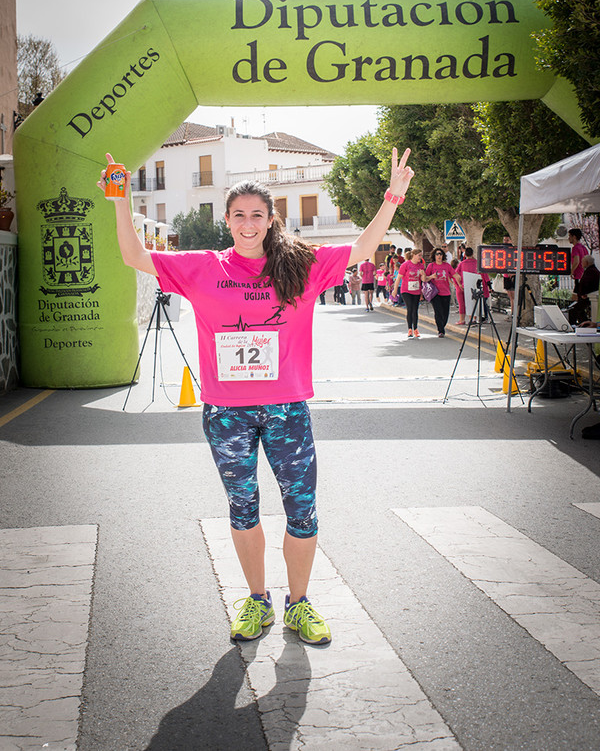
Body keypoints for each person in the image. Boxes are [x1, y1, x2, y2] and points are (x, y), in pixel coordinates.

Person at [99, 146, 414, 646]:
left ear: (271, 221)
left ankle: (300, 604)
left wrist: (394, 197)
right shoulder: (202, 267)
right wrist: (119, 199)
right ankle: (257, 601)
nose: (248, 223)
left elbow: (360, 250)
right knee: (242, 509)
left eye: (257, 215)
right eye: (239, 215)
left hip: (287, 410)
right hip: (227, 415)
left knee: (302, 510)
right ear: (227, 220)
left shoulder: (300, 266)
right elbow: (135, 256)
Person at [423, 248, 461, 337]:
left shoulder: (447, 266)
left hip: (446, 292)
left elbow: (454, 274)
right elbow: (425, 279)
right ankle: (441, 331)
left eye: (440, 254)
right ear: (434, 256)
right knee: (438, 311)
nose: (439, 256)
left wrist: (459, 278)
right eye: (437, 254)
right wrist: (432, 276)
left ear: (443, 256)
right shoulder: (431, 266)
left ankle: (442, 326)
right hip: (435, 293)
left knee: (445, 313)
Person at [394, 248, 425, 337]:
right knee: (410, 308)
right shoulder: (405, 265)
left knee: (415, 310)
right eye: (419, 255)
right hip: (406, 290)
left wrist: (423, 274)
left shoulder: (421, 265)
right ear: (414, 255)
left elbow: (423, 280)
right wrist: (395, 290)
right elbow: (398, 278)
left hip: (416, 290)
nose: (420, 257)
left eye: (421, 255)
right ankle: (409, 329)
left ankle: (415, 329)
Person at [454, 247, 490, 324]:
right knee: (474, 302)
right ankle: (474, 319)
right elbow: (484, 275)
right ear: (473, 254)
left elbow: (455, 274)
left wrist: (459, 284)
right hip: (476, 284)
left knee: (468, 302)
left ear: (465, 254)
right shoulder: (478, 263)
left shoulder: (462, 263)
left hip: (466, 285)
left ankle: (469, 319)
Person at [567, 254, 600, 324]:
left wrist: (583, 294)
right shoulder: (591, 271)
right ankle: (584, 324)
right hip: (586, 296)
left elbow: (587, 284)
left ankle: (581, 324)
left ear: (587, 263)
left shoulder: (591, 272)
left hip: (588, 297)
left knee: (574, 310)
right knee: (578, 311)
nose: (581, 264)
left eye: (582, 262)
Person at [569, 228, 589, 294]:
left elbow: (576, 261)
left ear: (574, 237)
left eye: (569, 236)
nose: (568, 238)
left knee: (576, 297)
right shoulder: (583, 248)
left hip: (578, 276)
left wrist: (571, 272)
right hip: (584, 276)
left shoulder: (575, 248)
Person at [502, 234, 515, 313]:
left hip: (512, 276)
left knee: (514, 296)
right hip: (506, 276)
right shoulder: (503, 250)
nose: (505, 242)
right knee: (510, 296)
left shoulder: (513, 250)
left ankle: (514, 313)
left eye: (507, 240)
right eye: (504, 240)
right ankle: (512, 313)